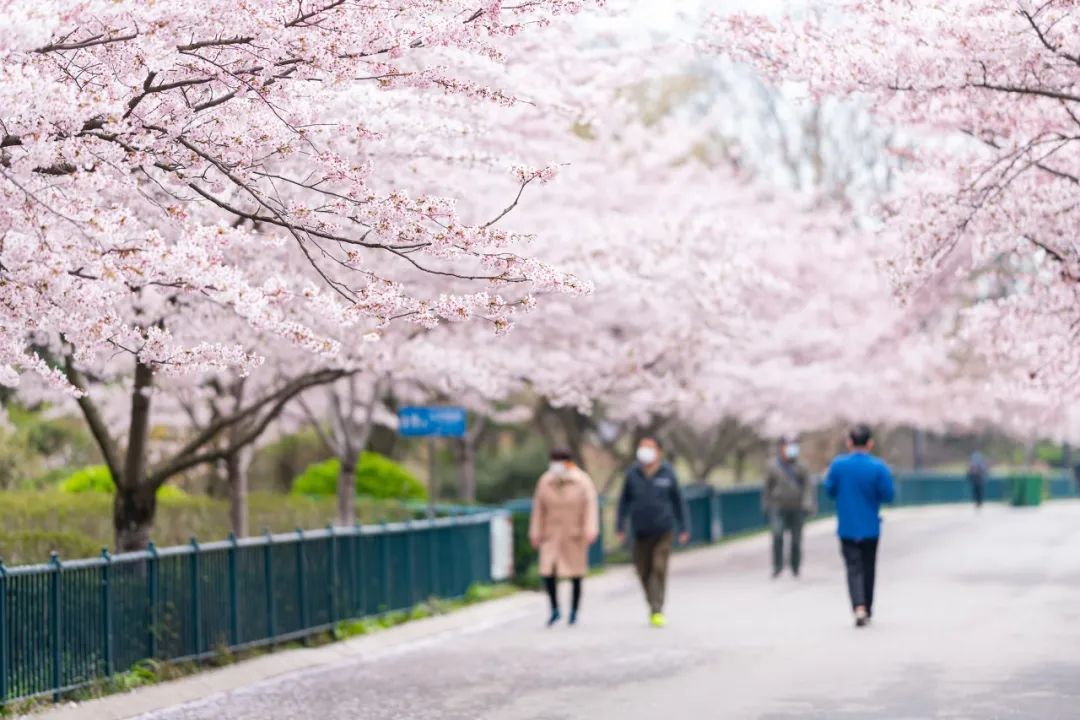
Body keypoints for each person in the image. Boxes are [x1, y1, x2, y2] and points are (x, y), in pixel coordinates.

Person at [824, 423, 895, 628]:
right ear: (870, 444)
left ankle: (859, 606)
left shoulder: (838, 466)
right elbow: (888, 494)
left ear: (849, 443)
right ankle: (868, 607)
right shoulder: (878, 467)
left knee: (853, 567)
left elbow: (829, 490)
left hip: (847, 525)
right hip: (871, 526)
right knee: (868, 566)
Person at [616, 437, 690, 628]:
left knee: (658, 567)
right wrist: (620, 526)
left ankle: (657, 608)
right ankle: (652, 603)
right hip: (640, 530)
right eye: (642, 447)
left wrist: (684, 527)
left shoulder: (668, 473)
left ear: (659, 451)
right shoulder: (632, 473)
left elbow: (678, 501)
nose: (644, 451)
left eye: (649, 448)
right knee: (643, 571)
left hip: (663, 529)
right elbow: (624, 501)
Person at [529, 448, 599, 626]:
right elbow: (538, 509)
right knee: (548, 571)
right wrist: (535, 532)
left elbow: (590, 507)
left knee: (576, 573)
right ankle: (554, 609)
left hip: (573, 533)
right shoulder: (545, 481)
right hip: (551, 533)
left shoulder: (582, 481)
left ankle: (574, 611)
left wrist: (590, 529)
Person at [763, 435, 815, 578]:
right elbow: (767, 487)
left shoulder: (801, 466)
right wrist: (766, 506)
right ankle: (777, 565)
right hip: (778, 506)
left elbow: (808, 487)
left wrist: (807, 504)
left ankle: (795, 566)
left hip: (797, 507)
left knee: (796, 539)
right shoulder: (772, 466)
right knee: (777, 535)